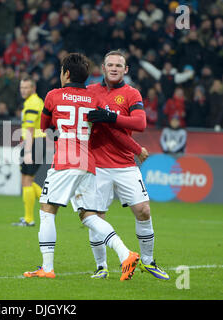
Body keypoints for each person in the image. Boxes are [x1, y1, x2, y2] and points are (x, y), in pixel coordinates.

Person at [23, 53, 140, 281]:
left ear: (66, 74)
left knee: (47, 209)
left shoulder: (53, 95)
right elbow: (106, 129)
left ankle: (47, 267)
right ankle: (126, 253)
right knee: (89, 215)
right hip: (88, 162)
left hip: (65, 161)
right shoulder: (95, 98)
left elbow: (45, 126)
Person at [86, 50, 170, 280]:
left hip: (125, 165)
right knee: (97, 217)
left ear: (126, 70)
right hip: (97, 165)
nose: (114, 68)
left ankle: (148, 261)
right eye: (109, 65)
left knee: (143, 211)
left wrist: (111, 117)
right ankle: (101, 266)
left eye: (118, 65)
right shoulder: (90, 91)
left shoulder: (131, 94)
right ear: (102, 68)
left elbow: (140, 123)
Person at [12, 77, 46, 227]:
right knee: (27, 180)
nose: (23, 90)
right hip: (34, 142)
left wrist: (26, 151)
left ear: (33, 88)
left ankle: (29, 218)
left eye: (26, 87)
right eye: (22, 87)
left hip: (34, 143)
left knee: (27, 180)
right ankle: (43, 207)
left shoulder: (32, 103)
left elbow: (31, 129)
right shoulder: (32, 101)